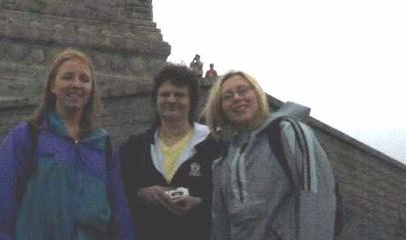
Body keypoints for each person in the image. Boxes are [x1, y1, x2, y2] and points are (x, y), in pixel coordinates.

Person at [0, 48, 134, 240]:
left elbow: (119, 213)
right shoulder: (27, 136)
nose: (76, 84)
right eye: (68, 77)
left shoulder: (102, 145)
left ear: (91, 90)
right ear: (53, 85)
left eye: (84, 79)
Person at [205, 70, 337, 240]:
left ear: (257, 95)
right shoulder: (222, 162)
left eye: (243, 90)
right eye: (227, 96)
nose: (237, 98)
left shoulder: (288, 133)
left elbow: (316, 198)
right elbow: (220, 225)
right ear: (220, 108)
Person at [120, 63, 220, 240]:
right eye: (164, 95)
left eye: (179, 95)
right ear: (156, 100)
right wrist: (141, 194)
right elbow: (119, 193)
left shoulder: (212, 144)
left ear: (191, 101)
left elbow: (225, 198)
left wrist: (198, 203)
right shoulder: (135, 147)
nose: (171, 100)